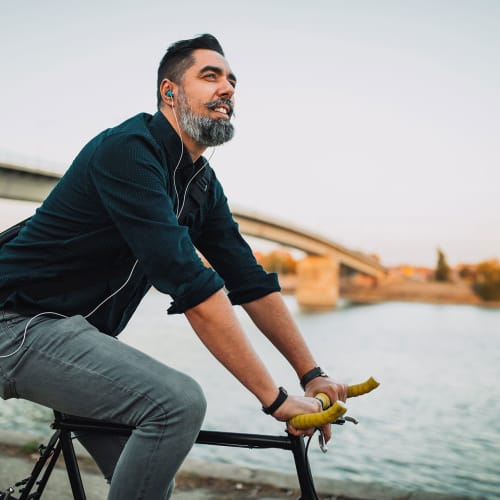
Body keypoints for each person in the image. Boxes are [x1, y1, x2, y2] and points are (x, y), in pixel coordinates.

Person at [0, 34, 347, 499]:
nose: (227, 88)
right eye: (210, 76)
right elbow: (190, 282)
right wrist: (276, 400)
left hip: (71, 332)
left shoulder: (202, 183)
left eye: (232, 81)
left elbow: (247, 280)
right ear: (170, 91)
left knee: (148, 485)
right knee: (177, 403)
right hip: (16, 324)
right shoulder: (128, 150)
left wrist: (311, 374)